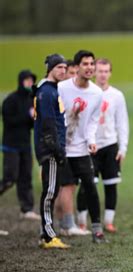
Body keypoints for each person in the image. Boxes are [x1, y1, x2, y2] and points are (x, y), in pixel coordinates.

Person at [57, 50, 107, 243]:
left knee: (90, 187)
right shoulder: (61, 88)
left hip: (81, 149)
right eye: (85, 64)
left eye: (91, 64)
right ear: (76, 68)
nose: (89, 67)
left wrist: (91, 140)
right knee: (66, 186)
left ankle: (97, 229)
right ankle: (67, 225)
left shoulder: (96, 93)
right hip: (62, 148)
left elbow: (93, 121)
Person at [76, 58, 129, 233]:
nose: (103, 74)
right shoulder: (88, 93)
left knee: (111, 184)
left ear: (110, 73)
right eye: (100, 71)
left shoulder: (117, 95)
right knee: (87, 185)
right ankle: (82, 221)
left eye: (106, 71)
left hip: (110, 146)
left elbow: (122, 122)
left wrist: (123, 147)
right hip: (90, 147)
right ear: (94, 72)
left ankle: (108, 222)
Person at [34, 54, 70, 249]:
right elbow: (48, 125)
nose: (63, 71)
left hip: (50, 148)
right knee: (50, 191)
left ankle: (44, 233)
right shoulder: (47, 92)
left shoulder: (49, 90)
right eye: (59, 68)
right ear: (50, 69)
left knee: (52, 189)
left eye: (65, 68)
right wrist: (57, 149)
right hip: (50, 150)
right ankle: (48, 236)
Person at [0, 70, 41, 220]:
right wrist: (27, 116)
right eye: (27, 80)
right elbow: (9, 121)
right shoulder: (11, 100)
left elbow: (30, 124)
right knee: (10, 178)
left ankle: (27, 209)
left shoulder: (31, 99)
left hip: (25, 146)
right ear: (21, 81)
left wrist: (34, 118)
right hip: (11, 146)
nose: (29, 83)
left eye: (31, 81)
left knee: (26, 177)